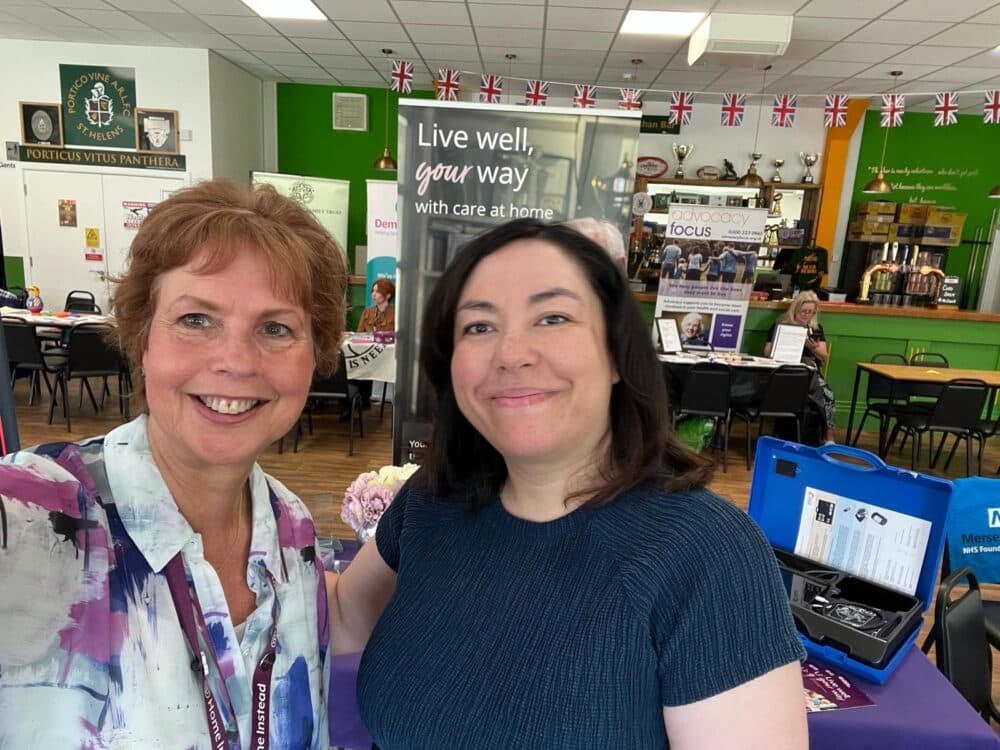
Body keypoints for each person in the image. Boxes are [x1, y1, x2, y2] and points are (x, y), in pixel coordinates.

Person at [329, 219, 807, 749]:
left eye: (553, 317)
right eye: (479, 326)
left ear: (618, 354)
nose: (511, 352)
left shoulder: (707, 555)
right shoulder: (432, 500)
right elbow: (346, 614)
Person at [0, 178, 348, 749]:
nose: (235, 360)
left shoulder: (293, 533)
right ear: (141, 338)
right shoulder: (34, 517)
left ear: (316, 355)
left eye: (275, 328)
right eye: (196, 320)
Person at [764, 290, 837, 443]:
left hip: (809, 370)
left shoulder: (815, 329)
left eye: (810, 312)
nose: (806, 315)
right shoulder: (781, 324)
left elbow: (824, 355)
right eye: (803, 311)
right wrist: (784, 341)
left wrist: (812, 347)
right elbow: (766, 352)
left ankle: (828, 436)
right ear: (795, 309)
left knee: (828, 395)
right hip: (786, 371)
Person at [354, 277, 396, 409]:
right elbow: (358, 334)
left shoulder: (396, 313)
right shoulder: (367, 312)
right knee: (353, 363)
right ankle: (359, 400)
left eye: (377, 291)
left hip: (386, 357)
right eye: (373, 291)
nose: (373, 294)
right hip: (367, 355)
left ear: (388, 295)